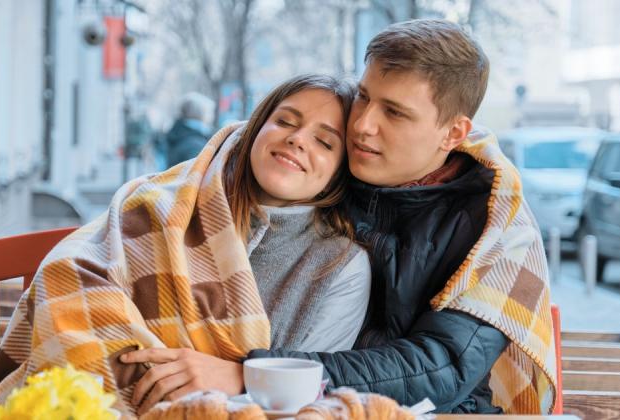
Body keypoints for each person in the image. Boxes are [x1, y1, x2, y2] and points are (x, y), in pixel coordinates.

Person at [129, 20, 558, 415]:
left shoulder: (499, 230)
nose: (363, 125)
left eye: (394, 112)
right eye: (365, 97)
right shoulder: (330, 164)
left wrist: (250, 374)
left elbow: (443, 366)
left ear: (453, 133)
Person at [0, 74, 371, 416]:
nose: (298, 139)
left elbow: (308, 395)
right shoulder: (161, 204)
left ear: (339, 171)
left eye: (325, 142)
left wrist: (231, 379)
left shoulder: (339, 266)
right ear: (257, 127)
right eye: (286, 121)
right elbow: (70, 277)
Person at [164, 92, 216, 167]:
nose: (211, 117)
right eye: (208, 113)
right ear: (200, 114)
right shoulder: (195, 144)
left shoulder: (180, 133)